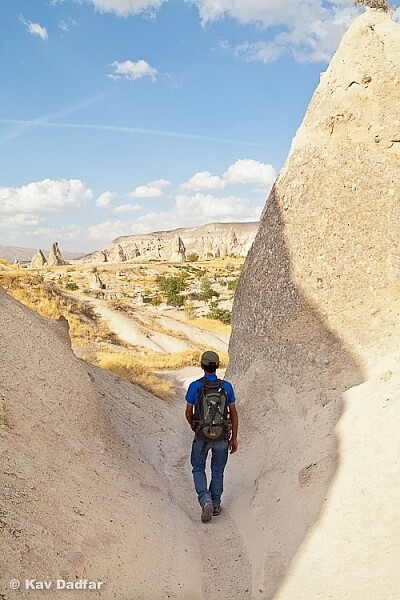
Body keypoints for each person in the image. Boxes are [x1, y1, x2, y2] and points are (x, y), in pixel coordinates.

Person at [185, 350, 238, 523]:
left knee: (198, 468)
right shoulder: (226, 387)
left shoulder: (195, 386)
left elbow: (188, 412)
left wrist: (194, 425)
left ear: (202, 365)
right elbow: (234, 414)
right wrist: (234, 438)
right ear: (217, 366)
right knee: (218, 470)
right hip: (222, 436)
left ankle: (205, 499)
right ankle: (215, 504)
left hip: (202, 435)